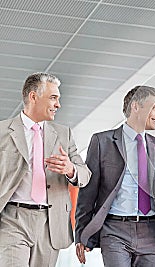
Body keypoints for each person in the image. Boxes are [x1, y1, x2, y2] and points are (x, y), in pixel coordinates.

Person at [75, 85, 155, 267]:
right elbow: (88, 191)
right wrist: (81, 233)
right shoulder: (102, 141)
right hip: (114, 229)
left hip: (151, 231)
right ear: (136, 107)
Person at [0, 72, 91, 267]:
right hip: (12, 219)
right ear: (33, 97)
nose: (58, 104)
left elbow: (85, 174)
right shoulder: (2, 131)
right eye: (53, 97)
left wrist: (70, 169)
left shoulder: (63, 134)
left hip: (50, 222)